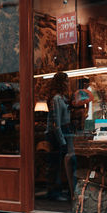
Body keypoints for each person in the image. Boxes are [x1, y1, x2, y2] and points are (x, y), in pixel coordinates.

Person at [45, 72, 75, 201]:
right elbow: (56, 122)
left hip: (64, 130)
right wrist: (61, 139)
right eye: (66, 81)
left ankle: (64, 189)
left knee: (66, 162)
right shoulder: (56, 99)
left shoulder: (62, 98)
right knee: (55, 163)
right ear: (61, 83)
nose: (68, 83)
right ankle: (53, 192)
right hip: (57, 133)